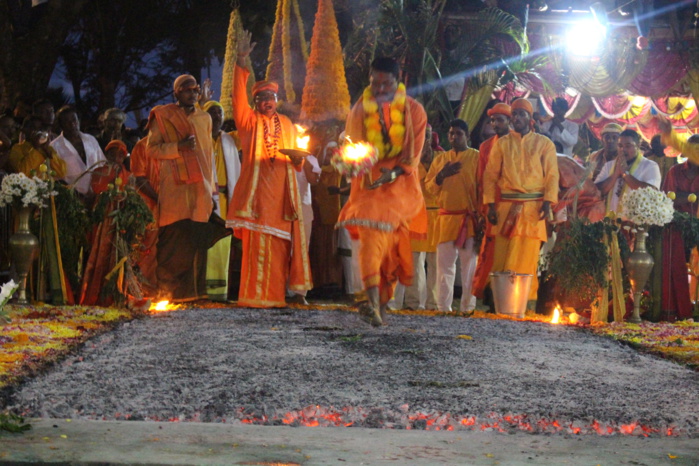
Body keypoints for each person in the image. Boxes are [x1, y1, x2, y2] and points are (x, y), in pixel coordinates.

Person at [336, 56, 428, 326]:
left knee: (391, 254)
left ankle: (381, 304)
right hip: (368, 189)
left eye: (385, 84)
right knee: (370, 244)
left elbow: (413, 157)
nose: (379, 89)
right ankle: (373, 304)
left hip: (400, 189)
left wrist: (394, 173)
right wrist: (347, 164)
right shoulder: (359, 110)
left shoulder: (414, 111)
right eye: (374, 83)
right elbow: (352, 148)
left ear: (398, 82)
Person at [227, 30, 312, 308]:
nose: (267, 101)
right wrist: (241, 62)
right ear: (255, 102)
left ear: (277, 100)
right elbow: (237, 97)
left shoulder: (287, 124)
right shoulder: (248, 121)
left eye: (271, 97)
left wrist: (299, 160)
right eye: (262, 97)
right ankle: (252, 298)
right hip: (257, 201)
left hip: (282, 202)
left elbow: (295, 164)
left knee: (279, 250)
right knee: (255, 251)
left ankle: (275, 299)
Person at [147, 74, 228, 302]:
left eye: (195, 90)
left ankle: (193, 293)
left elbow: (208, 158)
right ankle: (167, 294)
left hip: (200, 188)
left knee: (197, 237)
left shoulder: (204, 118)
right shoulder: (164, 116)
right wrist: (178, 147)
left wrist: (211, 190)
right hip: (174, 188)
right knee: (173, 239)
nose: (192, 93)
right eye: (187, 90)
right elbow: (151, 150)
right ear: (177, 93)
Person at [483, 98, 559, 310]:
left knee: (527, 257)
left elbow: (552, 176)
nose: (516, 118)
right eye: (514, 114)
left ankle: (526, 304)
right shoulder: (502, 144)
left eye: (521, 114)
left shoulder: (545, 144)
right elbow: (490, 176)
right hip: (506, 207)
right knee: (502, 256)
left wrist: (547, 202)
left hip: (533, 210)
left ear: (530, 118)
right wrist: (489, 205)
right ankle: (500, 303)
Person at [425, 119, 480, 313]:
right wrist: (441, 175)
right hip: (446, 218)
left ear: (468, 137)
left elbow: (482, 187)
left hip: (469, 220)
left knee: (469, 268)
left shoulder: (477, 157)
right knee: (444, 267)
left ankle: (467, 308)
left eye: (458, 133)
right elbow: (429, 187)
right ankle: (443, 307)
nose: (453, 137)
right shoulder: (440, 159)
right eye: (451, 134)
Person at [80, 140, 132, 306]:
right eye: (112, 154)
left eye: (120, 155)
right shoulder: (99, 171)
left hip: (120, 221)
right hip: (101, 220)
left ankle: (117, 293)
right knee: (98, 253)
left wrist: (123, 198)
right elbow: (95, 191)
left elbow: (131, 195)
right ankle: (95, 292)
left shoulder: (128, 175)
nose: (116, 158)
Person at [394, 122, 439, 310]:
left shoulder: (442, 157)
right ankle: (414, 303)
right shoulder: (408, 160)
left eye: (428, 135)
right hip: (416, 214)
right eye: (422, 135)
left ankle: (434, 304)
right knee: (414, 261)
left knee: (436, 262)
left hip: (438, 215)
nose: (425, 139)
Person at [202, 100, 241, 302]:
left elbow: (248, 128)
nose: (217, 116)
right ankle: (204, 291)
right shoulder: (199, 139)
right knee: (207, 245)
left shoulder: (231, 139)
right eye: (212, 113)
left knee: (224, 246)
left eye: (220, 113)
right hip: (205, 200)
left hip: (227, 200)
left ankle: (220, 293)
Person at [472, 103, 510, 300]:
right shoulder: (486, 146)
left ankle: (508, 294)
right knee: (490, 248)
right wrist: (482, 208)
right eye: (492, 120)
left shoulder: (518, 143)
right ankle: (489, 292)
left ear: (509, 122)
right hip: (492, 203)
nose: (495, 124)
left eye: (500, 120)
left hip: (513, 204)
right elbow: (481, 179)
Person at [594, 129, 661, 216]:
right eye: (620, 146)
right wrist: (615, 174)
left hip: (634, 225)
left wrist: (626, 174)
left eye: (628, 146)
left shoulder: (650, 166)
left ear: (638, 145)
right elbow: (596, 192)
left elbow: (652, 194)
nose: (623, 149)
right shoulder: (609, 166)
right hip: (609, 223)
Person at [51, 105, 106, 203]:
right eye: (67, 121)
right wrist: (76, 195)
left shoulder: (91, 140)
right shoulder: (55, 147)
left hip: (98, 197)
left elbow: (103, 165)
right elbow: (56, 178)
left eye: (74, 120)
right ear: (61, 125)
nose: (72, 124)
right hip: (72, 200)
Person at [129, 136, 160, 297]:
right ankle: (141, 290)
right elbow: (139, 178)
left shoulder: (170, 144)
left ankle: (157, 290)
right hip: (147, 207)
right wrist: (159, 198)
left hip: (168, 209)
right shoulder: (142, 146)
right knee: (145, 249)